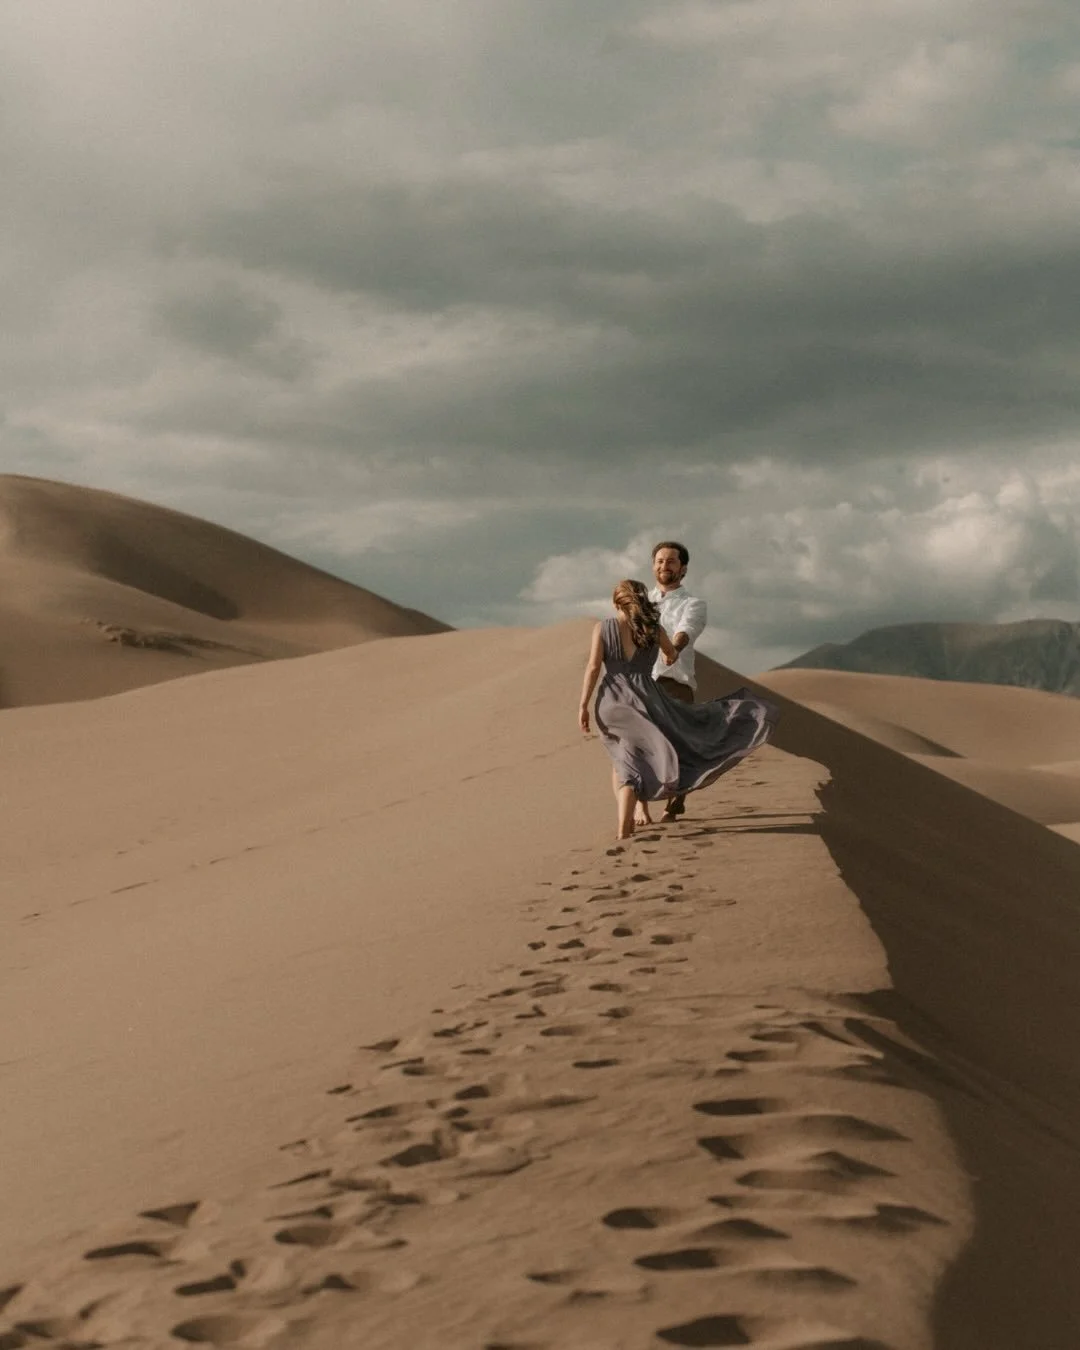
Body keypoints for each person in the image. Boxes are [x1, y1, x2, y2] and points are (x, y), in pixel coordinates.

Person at [578, 579, 779, 841]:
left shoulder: (603, 628)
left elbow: (594, 667)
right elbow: (671, 655)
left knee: (623, 759)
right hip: (646, 697)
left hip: (611, 700)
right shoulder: (653, 629)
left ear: (616, 602)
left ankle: (626, 827)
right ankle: (626, 825)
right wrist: (665, 655)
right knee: (634, 757)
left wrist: (583, 705)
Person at [648, 540, 706, 822]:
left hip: (675, 683)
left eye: (671, 561)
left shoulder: (693, 604)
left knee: (677, 745)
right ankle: (639, 806)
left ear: (683, 568)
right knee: (640, 743)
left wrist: (673, 650)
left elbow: (686, 630)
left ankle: (673, 805)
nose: (664, 566)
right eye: (660, 561)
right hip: (642, 682)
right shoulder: (641, 602)